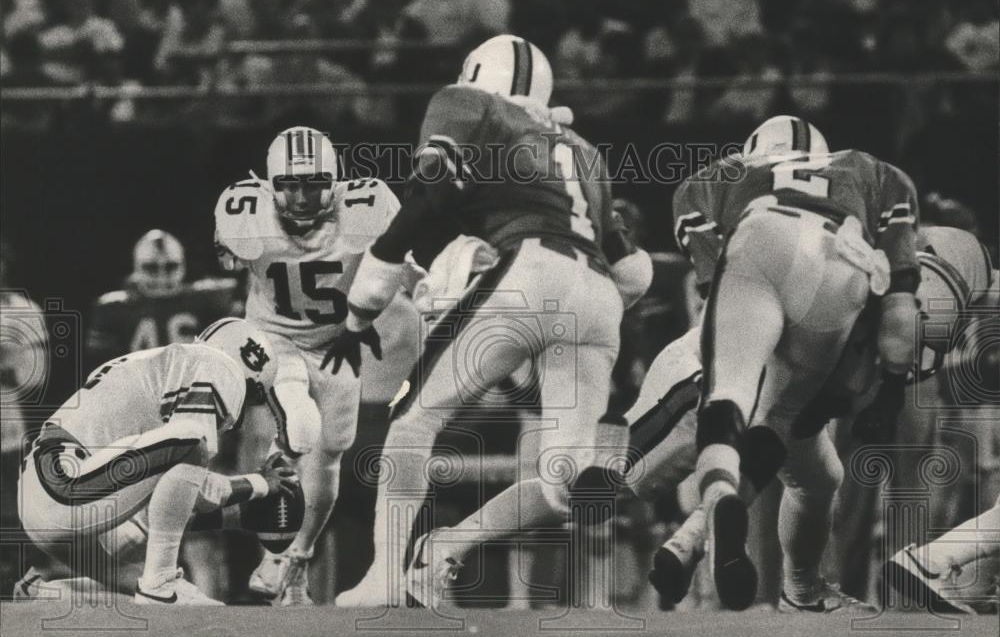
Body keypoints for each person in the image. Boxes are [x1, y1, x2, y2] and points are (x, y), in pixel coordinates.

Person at [333, 34, 652, 608]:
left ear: (475, 71)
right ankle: (450, 545)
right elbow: (636, 275)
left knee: (411, 420)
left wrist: (363, 303)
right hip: (599, 298)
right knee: (563, 481)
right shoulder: (582, 148)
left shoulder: (467, 103)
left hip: (529, 271)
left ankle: (385, 576)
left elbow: (429, 192)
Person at [633, 225, 995, 612]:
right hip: (700, 383)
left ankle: (802, 591)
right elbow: (776, 433)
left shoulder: (861, 284)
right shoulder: (839, 318)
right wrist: (693, 536)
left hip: (751, 394)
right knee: (620, 481)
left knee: (820, 478)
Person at [673, 115, 921, 610]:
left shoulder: (723, 173)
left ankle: (690, 537)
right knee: (799, 445)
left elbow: (706, 267)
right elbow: (899, 308)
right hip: (834, 275)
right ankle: (778, 578)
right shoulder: (873, 172)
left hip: (751, 268)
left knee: (727, 397)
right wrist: (892, 388)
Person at [213, 127, 402, 604]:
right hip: (272, 340)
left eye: (314, 183)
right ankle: (272, 552)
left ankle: (297, 555)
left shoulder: (366, 206)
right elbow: (229, 260)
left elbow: (404, 261)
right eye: (290, 185)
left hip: (338, 344)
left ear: (336, 182)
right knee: (298, 419)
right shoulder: (246, 211)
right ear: (269, 183)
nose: (300, 196)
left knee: (332, 452)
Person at [16, 318, 309, 605]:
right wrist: (259, 486)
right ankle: (160, 582)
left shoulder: (166, 366)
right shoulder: (218, 366)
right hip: (66, 483)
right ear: (253, 377)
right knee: (191, 440)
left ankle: (39, 597)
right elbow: (198, 484)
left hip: (60, 492)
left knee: (195, 606)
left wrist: (239, 512)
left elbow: (175, 494)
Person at [86, 229, 239, 365]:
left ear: (183, 265)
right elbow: (105, 370)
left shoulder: (210, 298)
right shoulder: (114, 308)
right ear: (136, 268)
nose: (161, 276)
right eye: (151, 268)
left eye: (170, 267)